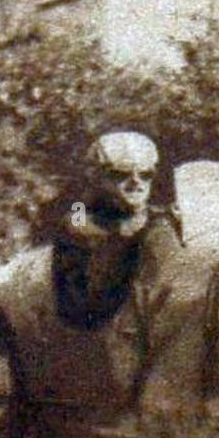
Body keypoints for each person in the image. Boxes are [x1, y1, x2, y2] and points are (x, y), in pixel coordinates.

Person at [49, 131, 179, 331]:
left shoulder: (160, 217)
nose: (136, 182)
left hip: (164, 322)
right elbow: (86, 304)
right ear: (97, 177)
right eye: (120, 175)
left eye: (146, 175)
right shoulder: (81, 223)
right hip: (106, 331)